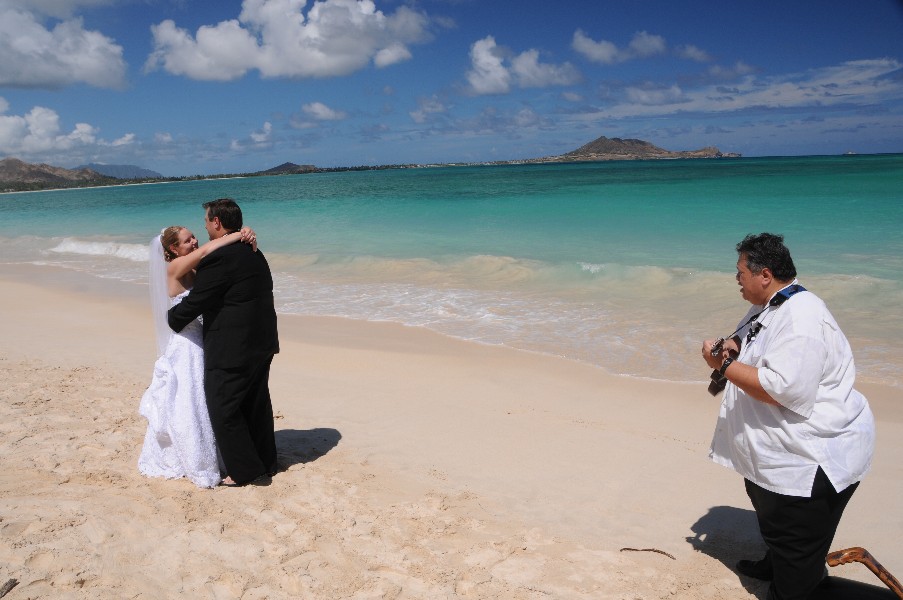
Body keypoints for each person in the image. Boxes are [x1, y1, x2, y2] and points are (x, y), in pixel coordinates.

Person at [702, 233, 875, 600]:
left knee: (798, 586)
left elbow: (780, 390)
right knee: (775, 526)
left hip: (809, 464)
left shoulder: (802, 318)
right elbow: (756, 342)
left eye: (740, 273)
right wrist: (734, 347)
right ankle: (776, 562)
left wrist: (724, 364)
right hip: (779, 459)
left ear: (764, 274)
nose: (736, 279)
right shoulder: (772, 303)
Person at [168, 198, 279, 487]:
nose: (204, 228)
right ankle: (266, 461)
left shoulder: (219, 258)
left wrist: (173, 318)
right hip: (263, 340)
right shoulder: (254, 250)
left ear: (217, 222)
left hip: (234, 347)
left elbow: (200, 300)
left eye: (206, 222)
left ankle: (246, 471)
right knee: (256, 403)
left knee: (224, 407)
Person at [139, 224, 257, 488]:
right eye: (187, 240)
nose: (194, 241)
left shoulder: (191, 268)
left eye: (193, 236)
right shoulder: (175, 268)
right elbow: (206, 250)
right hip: (186, 344)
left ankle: (218, 453)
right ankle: (193, 458)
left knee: (204, 399)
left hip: (202, 339)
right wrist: (239, 234)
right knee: (188, 401)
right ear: (173, 249)